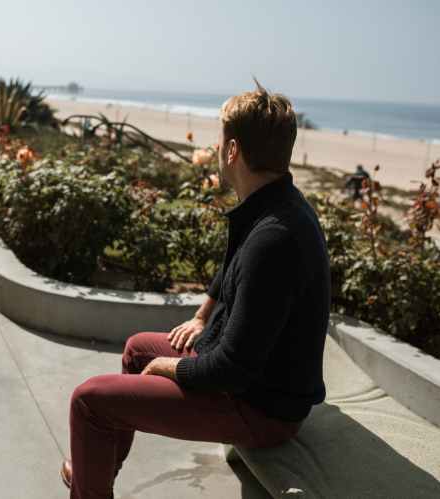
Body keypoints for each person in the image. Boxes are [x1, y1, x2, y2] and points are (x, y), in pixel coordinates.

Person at [61, 81, 331, 499]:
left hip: (262, 410)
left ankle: (88, 486)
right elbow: (231, 268)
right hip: (250, 383)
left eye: (220, 138)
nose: (216, 146)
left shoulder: (274, 239)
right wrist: (202, 315)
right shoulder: (273, 205)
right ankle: (95, 471)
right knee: (136, 350)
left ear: (232, 150)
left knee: (88, 401)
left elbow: (231, 370)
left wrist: (169, 367)